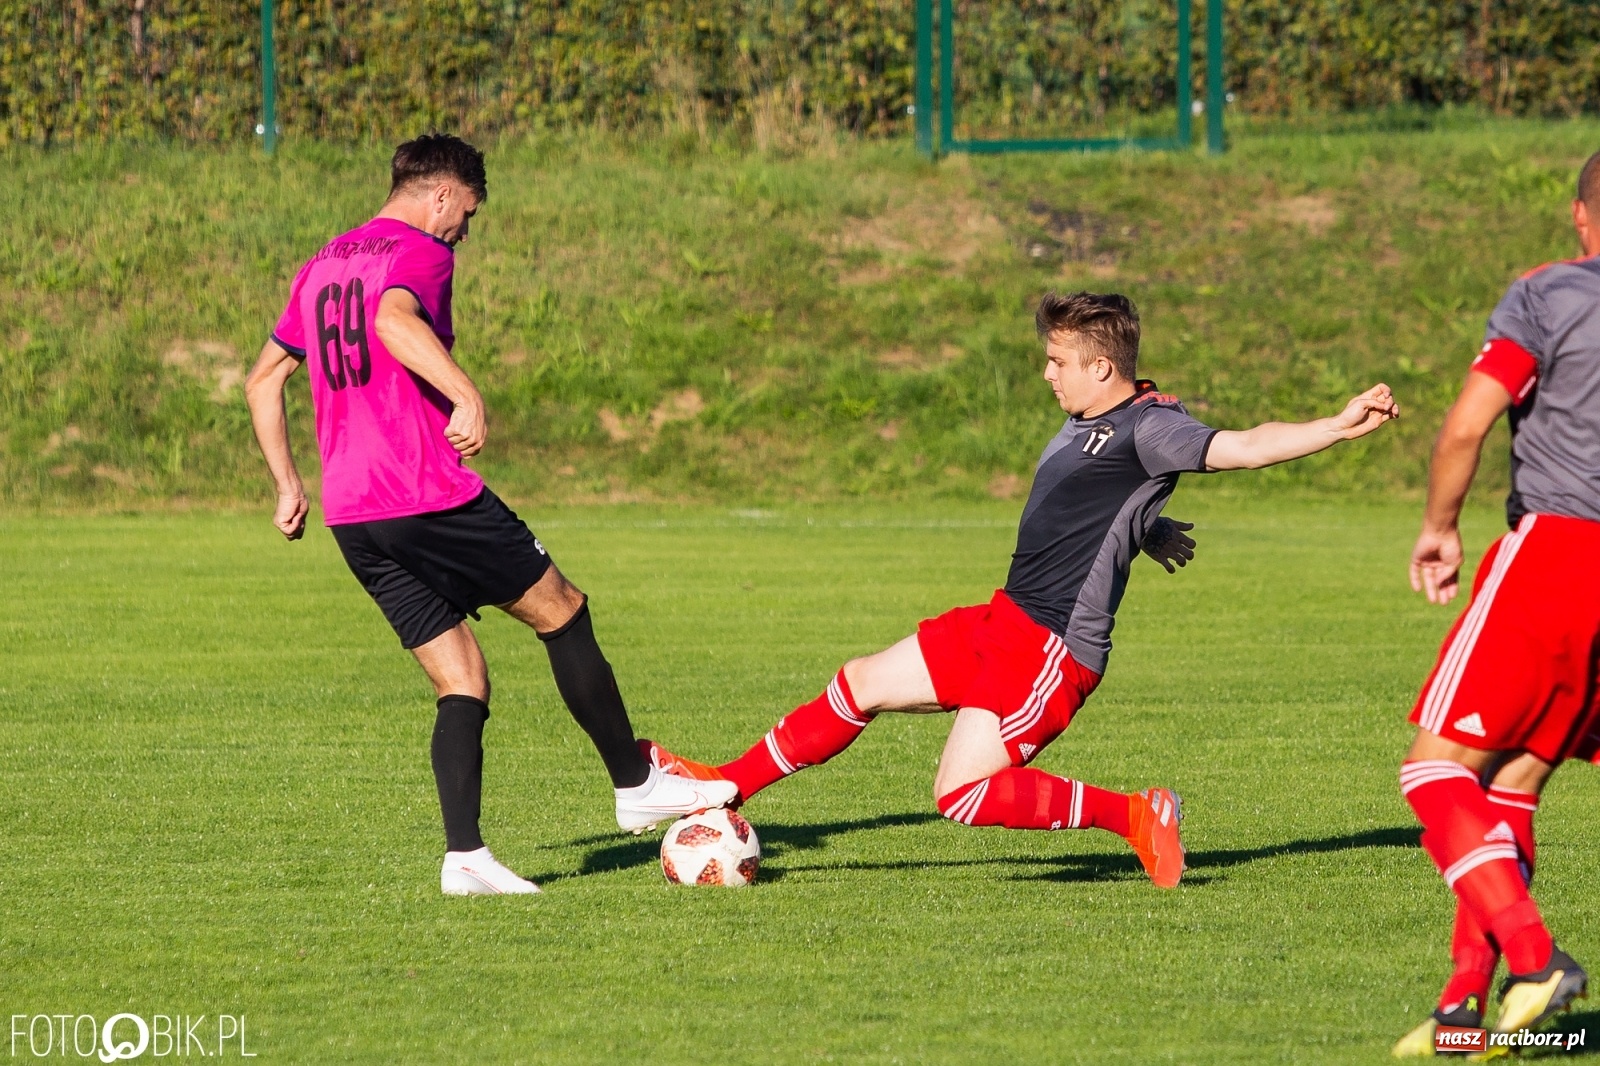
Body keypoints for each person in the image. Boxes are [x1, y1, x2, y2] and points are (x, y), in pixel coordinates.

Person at [645, 291, 1398, 888]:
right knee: (861, 681)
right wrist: (1149, 528)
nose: (1048, 372)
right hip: (1005, 619)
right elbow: (1095, 506)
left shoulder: (1149, 425)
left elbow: (1243, 446)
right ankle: (726, 784)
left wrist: (1335, 425)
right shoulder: (1087, 418)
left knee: (962, 794)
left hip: (1051, 647)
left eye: (1058, 359)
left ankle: (1136, 814)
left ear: (1102, 367)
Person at [244, 133, 734, 897]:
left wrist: (286, 485)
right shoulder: (420, 253)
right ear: (440, 195)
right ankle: (636, 783)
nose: (464, 231)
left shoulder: (323, 262)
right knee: (563, 611)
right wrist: (466, 393)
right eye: (466, 213)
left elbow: (263, 378)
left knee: (462, 678)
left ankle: (465, 857)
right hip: (424, 492)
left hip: (353, 516)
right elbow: (393, 323)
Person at [1390, 153, 1600, 1054]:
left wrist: (1439, 527)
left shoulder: (1548, 295)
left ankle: (1533, 953)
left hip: (1557, 550)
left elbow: (1469, 422)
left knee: (1431, 773)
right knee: (1509, 787)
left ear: (1581, 215)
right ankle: (1463, 1016)